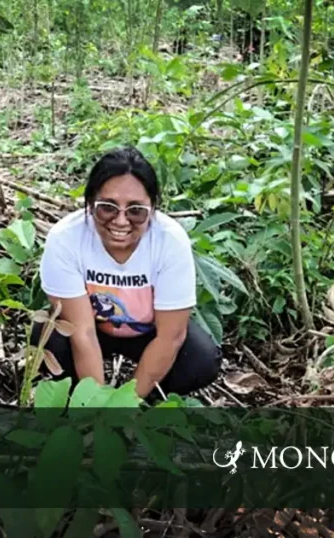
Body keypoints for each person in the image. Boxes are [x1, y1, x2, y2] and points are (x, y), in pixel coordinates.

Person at [33, 146, 222, 399]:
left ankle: (150, 397)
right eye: (107, 207)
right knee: (47, 335)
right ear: (90, 204)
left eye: (136, 210)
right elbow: (82, 332)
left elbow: (170, 337)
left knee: (201, 360)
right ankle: (79, 394)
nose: (121, 221)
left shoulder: (170, 241)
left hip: (149, 332)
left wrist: (125, 405)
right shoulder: (66, 238)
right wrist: (96, 401)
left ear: (152, 209)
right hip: (93, 328)